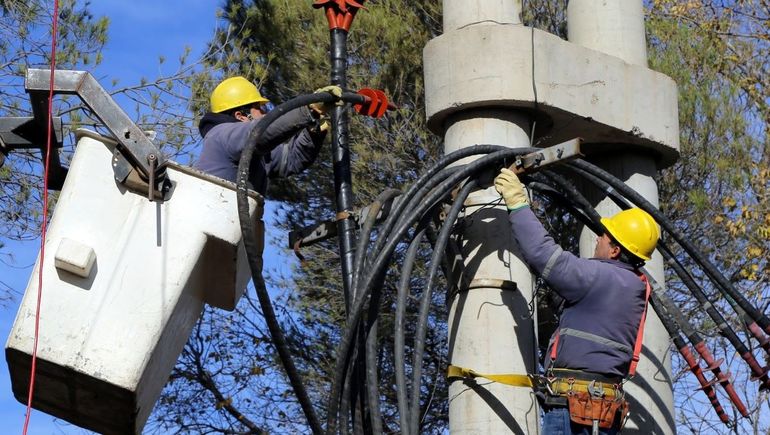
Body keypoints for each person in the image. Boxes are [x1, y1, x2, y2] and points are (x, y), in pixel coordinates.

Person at [494, 167, 660, 435]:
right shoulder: (635, 287)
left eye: (604, 236)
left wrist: (518, 203)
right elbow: (588, 314)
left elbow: (543, 254)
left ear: (615, 250)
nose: (598, 238)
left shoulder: (598, 276)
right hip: (603, 410)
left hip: (572, 408)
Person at [196, 76, 340, 194]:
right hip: (216, 222)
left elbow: (290, 158)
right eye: (260, 108)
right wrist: (308, 109)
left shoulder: (257, 153)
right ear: (241, 116)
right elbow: (258, 132)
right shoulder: (221, 134)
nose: (265, 113)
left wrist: (312, 133)